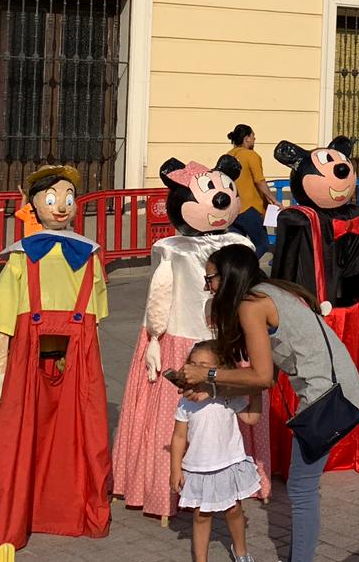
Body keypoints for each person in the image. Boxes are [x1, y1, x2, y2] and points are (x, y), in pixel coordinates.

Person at [180, 244, 359, 562]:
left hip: (329, 399)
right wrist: (216, 388)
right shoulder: (269, 295)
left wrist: (209, 375)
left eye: (211, 277)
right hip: (335, 391)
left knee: (301, 492)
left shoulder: (251, 305)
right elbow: (268, 372)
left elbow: (261, 376)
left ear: (229, 277)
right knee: (301, 491)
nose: (208, 285)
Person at [113, 157, 266, 522]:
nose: (221, 200)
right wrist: (154, 337)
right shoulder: (172, 247)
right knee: (178, 419)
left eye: (225, 191)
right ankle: (167, 486)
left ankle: (234, 479)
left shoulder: (240, 241)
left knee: (226, 415)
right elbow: (159, 295)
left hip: (227, 340)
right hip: (182, 342)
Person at [0, 165, 111, 549]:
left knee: (77, 436)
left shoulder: (89, 255)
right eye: (53, 198)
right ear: (35, 204)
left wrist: (93, 374)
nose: (61, 207)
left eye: (69, 198)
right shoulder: (22, 258)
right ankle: (17, 515)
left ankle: (71, 509)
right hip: (25, 358)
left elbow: (96, 325)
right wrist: (0, 372)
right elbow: (6, 323)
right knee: (21, 436)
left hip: (77, 361)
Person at [270, 138, 359, 475]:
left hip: (355, 308)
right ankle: (313, 447)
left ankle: (356, 445)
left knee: (354, 379)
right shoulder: (296, 219)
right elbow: (285, 268)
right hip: (313, 313)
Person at [169, 340, 261, 562]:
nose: (198, 369)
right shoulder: (186, 402)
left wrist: (256, 389)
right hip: (198, 468)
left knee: (234, 511)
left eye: (205, 365)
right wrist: (175, 469)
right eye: (194, 364)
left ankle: (240, 550)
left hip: (228, 464)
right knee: (201, 516)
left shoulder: (228, 398)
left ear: (219, 369)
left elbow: (252, 418)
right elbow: (178, 437)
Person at [225, 124, 275, 255]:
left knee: (238, 248)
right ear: (247, 138)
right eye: (253, 136)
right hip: (250, 208)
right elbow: (259, 181)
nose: (255, 139)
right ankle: (246, 268)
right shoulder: (251, 155)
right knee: (262, 244)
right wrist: (273, 199)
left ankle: (235, 272)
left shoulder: (228, 155)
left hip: (232, 210)